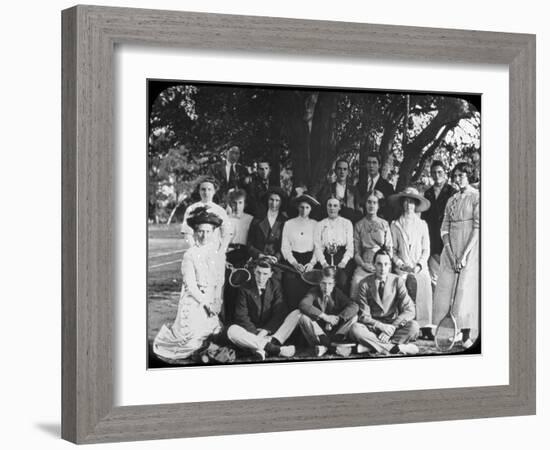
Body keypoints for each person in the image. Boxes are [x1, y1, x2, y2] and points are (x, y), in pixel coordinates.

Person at [153, 207, 226, 360]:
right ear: (195, 232)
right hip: (194, 301)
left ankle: (208, 347)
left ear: (213, 232)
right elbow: (191, 286)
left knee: (217, 332)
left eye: (208, 231)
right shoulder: (190, 255)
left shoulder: (217, 253)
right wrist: (207, 304)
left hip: (212, 299)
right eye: (200, 231)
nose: (204, 235)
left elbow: (219, 281)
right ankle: (199, 349)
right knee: (191, 342)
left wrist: (217, 300)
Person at [433, 162, 480, 342]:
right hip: (451, 249)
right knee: (445, 290)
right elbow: (444, 227)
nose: (457, 178)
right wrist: (450, 253)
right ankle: (446, 333)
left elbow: (477, 227)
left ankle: (467, 335)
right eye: (455, 175)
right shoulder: (451, 199)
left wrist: (464, 255)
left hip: (470, 249)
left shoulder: (477, 197)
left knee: (465, 289)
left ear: (469, 175)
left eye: (461, 175)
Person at [227, 259, 301, 360]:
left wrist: (265, 331)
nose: (261, 278)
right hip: (251, 332)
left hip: (270, 332)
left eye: (265, 274)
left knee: (297, 314)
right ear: (254, 271)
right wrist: (256, 333)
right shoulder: (244, 288)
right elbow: (241, 316)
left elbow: (279, 313)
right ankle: (275, 349)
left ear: (271, 274)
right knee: (232, 330)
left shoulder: (276, 286)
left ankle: (260, 348)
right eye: (258, 273)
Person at [350, 249, 419, 355]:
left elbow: (410, 310)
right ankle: (394, 348)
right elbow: (364, 316)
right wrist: (381, 326)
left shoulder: (397, 281)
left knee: (414, 326)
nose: (383, 269)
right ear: (374, 265)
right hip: (372, 328)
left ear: (390, 265)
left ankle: (371, 347)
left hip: (392, 327)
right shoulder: (364, 284)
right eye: (379, 264)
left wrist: (392, 328)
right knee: (355, 329)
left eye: (386, 264)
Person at [388, 187, 432, 326]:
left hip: (419, 267)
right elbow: (392, 250)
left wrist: (418, 266)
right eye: (406, 201)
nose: (408, 205)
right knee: (399, 285)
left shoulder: (422, 225)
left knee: (423, 284)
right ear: (402, 204)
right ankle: (402, 322)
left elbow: (426, 249)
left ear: (416, 205)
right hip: (402, 268)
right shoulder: (395, 225)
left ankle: (423, 325)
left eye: (412, 202)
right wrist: (400, 264)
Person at [298, 267, 359, 357]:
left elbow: (354, 306)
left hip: (334, 332)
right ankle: (333, 347)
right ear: (319, 283)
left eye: (330, 284)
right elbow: (303, 304)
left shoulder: (337, 293)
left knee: (354, 317)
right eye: (323, 283)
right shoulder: (314, 292)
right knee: (302, 317)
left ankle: (325, 347)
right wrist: (325, 317)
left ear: (334, 284)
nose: (326, 287)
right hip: (318, 334)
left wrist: (338, 318)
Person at [350, 190, 393, 299]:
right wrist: (364, 264)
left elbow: (389, 249)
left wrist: (383, 264)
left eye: (375, 203)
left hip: (382, 262)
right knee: (356, 282)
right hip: (365, 263)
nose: (371, 205)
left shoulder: (384, 224)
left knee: (386, 284)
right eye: (369, 202)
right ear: (365, 204)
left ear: (378, 206)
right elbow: (356, 252)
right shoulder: (359, 225)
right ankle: (355, 311)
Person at [421, 161, 457, 287]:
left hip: (447, 238)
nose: (437, 175)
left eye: (439, 172)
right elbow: (424, 218)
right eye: (434, 173)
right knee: (434, 279)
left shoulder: (452, 192)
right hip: (432, 239)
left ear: (445, 173)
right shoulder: (428, 193)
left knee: (449, 278)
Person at [281, 194, 319, 309]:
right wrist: (294, 263)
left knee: (310, 291)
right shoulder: (289, 224)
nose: (304, 210)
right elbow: (285, 247)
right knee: (290, 287)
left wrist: (311, 263)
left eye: (307, 208)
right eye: (302, 207)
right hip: (293, 263)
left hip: (309, 263)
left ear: (311, 209)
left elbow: (318, 247)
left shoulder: (315, 224)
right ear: (298, 207)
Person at [224, 189, 254, 322]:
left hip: (244, 256)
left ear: (245, 203)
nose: (237, 206)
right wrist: (222, 259)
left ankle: (242, 322)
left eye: (240, 203)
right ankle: (229, 323)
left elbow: (253, 241)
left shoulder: (250, 219)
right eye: (234, 203)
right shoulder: (225, 219)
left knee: (243, 290)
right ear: (230, 204)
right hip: (229, 255)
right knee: (229, 290)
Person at [314, 195, 354, 294]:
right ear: (326, 207)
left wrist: (344, 262)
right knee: (324, 283)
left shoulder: (347, 223)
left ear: (339, 207)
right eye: (330, 205)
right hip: (325, 257)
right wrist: (323, 263)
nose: (332, 208)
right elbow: (317, 247)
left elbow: (350, 247)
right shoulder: (320, 224)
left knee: (342, 281)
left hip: (341, 257)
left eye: (335, 205)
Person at [180, 177, 231, 252]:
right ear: (199, 191)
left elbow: (226, 234)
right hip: (197, 253)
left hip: (214, 252)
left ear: (214, 191)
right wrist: (195, 251)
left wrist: (221, 252)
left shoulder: (220, 211)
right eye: (203, 189)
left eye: (209, 189)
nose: (206, 193)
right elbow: (187, 234)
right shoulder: (191, 209)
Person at [247, 187, 288, 264]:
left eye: (277, 200)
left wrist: (276, 258)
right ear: (267, 200)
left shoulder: (285, 221)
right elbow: (249, 244)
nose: (274, 203)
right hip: (257, 261)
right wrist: (260, 255)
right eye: (271, 199)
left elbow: (286, 246)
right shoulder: (258, 218)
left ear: (281, 202)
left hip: (276, 263)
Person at [359, 153, 395, 220]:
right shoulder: (360, 184)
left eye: (374, 163)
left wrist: (383, 198)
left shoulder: (388, 187)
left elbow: (392, 210)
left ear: (379, 165)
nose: (371, 165)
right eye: (369, 162)